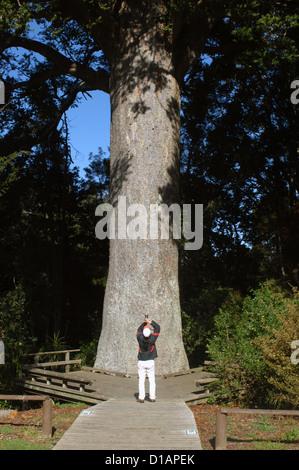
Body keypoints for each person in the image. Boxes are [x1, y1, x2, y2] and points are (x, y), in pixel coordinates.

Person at [136, 317, 160, 403]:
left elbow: (138, 330)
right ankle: (152, 397)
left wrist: (144, 323)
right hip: (150, 361)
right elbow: (157, 328)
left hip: (141, 362)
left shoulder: (139, 338)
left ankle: (141, 397)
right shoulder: (152, 339)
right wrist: (149, 322)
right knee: (152, 380)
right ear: (150, 333)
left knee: (141, 380)